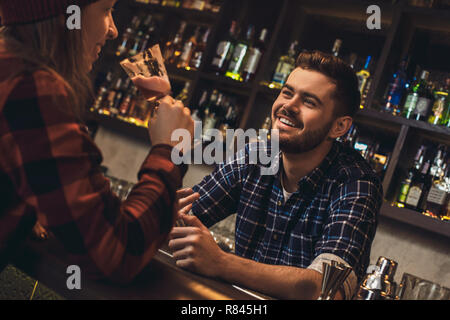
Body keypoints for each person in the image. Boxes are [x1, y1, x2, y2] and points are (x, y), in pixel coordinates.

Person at [0, 0, 194, 283]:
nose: (114, 30)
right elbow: (118, 251)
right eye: (106, 9)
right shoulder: (30, 87)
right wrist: (169, 150)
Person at [169, 51, 384, 300]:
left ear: (339, 126)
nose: (288, 106)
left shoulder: (356, 183)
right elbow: (176, 218)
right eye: (287, 92)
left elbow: (326, 289)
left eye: (309, 102)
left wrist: (220, 262)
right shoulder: (256, 156)